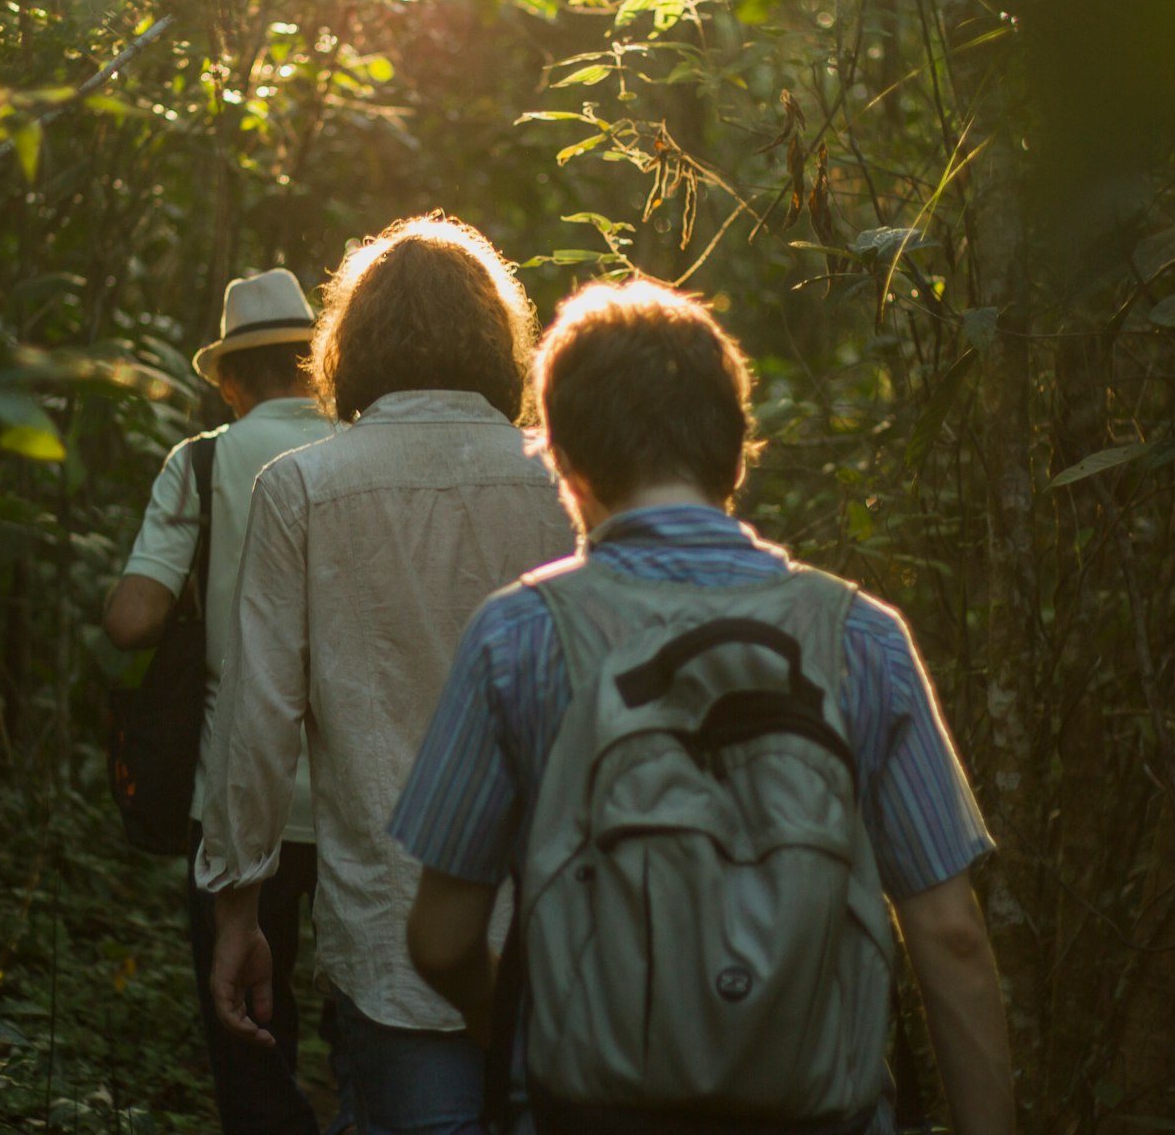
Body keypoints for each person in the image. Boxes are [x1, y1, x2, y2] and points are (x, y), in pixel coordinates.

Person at [390, 279, 1016, 1134]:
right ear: (737, 453)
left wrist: (516, 1026)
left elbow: (440, 939)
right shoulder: (860, 638)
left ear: (565, 466)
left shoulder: (520, 636)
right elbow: (948, 935)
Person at [195, 214, 576, 1135]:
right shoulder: (567, 481)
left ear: (349, 347)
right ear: (500, 338)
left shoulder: (301, 487)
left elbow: (259, 717)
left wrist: (236, 905)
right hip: (563, 940)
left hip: (393, 933)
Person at [104, 267, 339, 1135]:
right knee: (365, 1020)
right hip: (363, 797)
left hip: (237, 796)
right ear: (317, 365)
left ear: (231, 378)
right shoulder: (362, 449)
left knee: (247, 1029)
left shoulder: (201, 461)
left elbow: (133, 620)